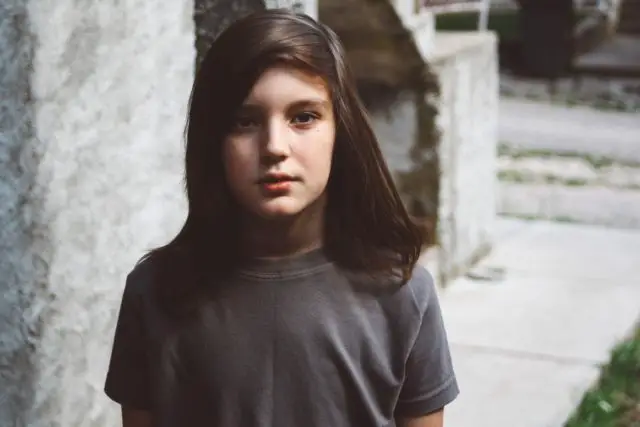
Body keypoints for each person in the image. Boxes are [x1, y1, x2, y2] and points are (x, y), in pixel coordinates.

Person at [104, 9, 459, 427]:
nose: (274, 146)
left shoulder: (402, 293)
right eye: (244, 121)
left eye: (303, 117)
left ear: (340, 131)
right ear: (212, 139)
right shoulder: (155, 293)